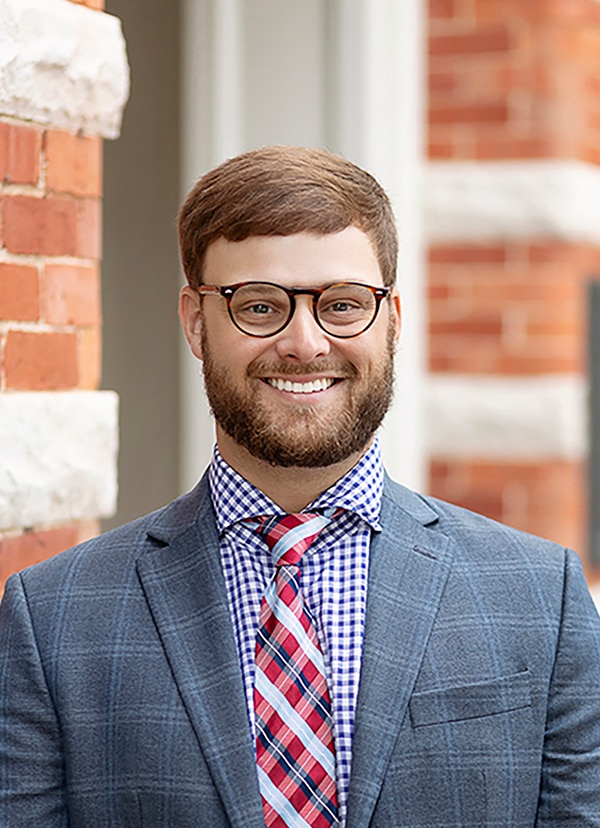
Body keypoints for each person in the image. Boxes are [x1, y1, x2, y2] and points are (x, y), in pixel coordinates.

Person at [1, 146, 599, 828]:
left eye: (343, 305)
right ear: (197, 322)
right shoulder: (52, 619)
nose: (305, 343)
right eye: (259, 306)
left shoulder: (538, 596)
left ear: (393, 321)